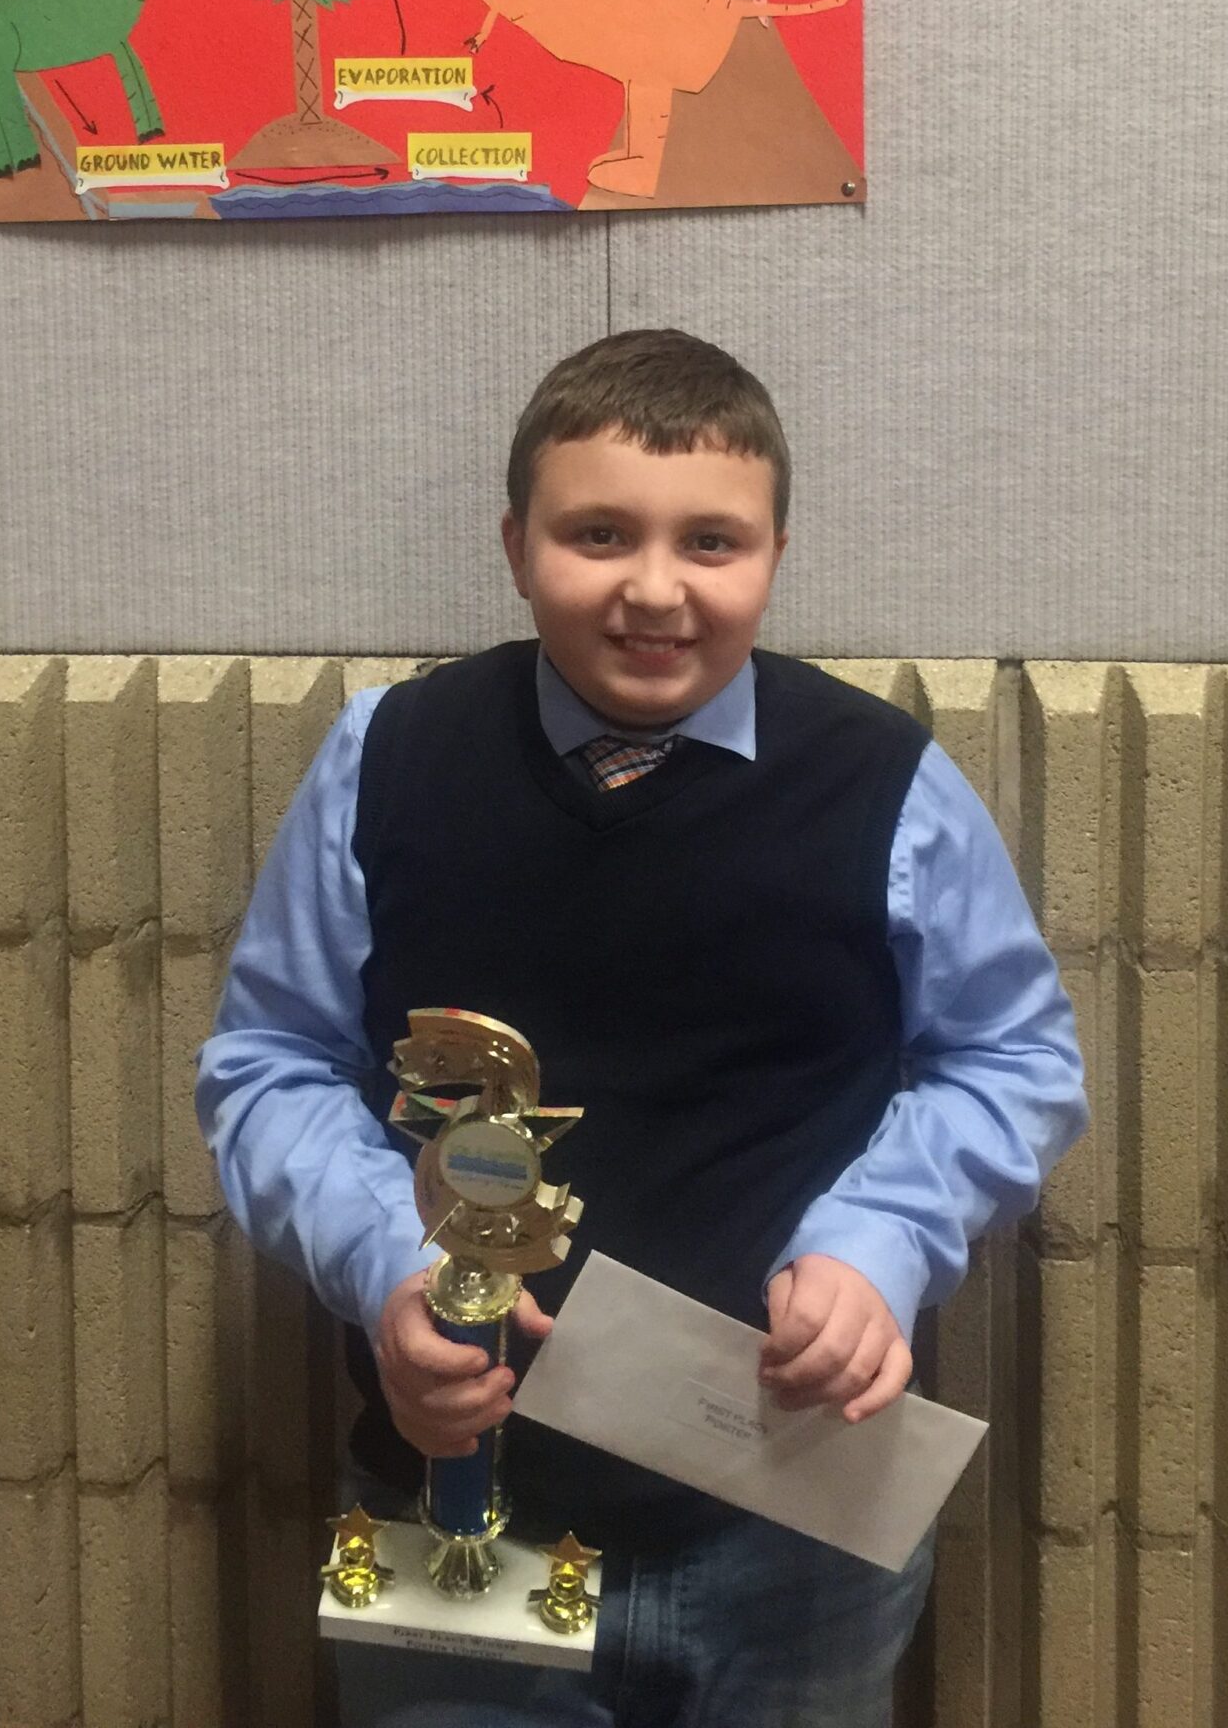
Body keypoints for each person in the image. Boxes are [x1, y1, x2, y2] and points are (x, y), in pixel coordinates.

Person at [197, 329, 1087, 1727]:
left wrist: (878, 1245)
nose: (656, 590)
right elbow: (271, 1065)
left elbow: (1014, 1060)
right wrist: (386, 1267)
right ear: (516, 545)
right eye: (598, 534)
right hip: (456, 1497)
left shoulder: (890, 782)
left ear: (777, 554)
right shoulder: (387, 757)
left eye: (711, 542)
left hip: (795, 1522)